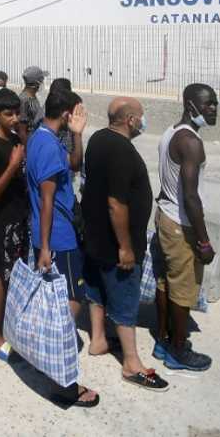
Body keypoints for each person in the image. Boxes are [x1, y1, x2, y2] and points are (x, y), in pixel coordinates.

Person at [82, 97, 169, 391]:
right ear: (130, 120)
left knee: (96, 290)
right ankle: (131, 364)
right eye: (141, 116)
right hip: (114, 244)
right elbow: (116, 203)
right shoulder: (120, 150)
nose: (143, 121)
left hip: (94, 238)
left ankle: (98, 340)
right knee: (124, 299)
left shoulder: (98, 138)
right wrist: (126, 246)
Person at [25, 86, 99, 407]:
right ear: (67, 113)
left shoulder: (44, 138)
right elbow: (47, 199)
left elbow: (73, 165)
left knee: (60, 299)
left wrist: (78, 135)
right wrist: (44, 246)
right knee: (70, 301)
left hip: (56, 234)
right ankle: (61, 378)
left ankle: (47, 354)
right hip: (59, 237)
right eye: (77, 113)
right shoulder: (48, 147)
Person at [153, 84, 219, 371]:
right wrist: (203, 241)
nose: (214, 109)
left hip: (165, 216)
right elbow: (191, 197)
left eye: (215, 104)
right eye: (209, 104)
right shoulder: (191, 142)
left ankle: (164, 340)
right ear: (191, 105)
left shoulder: (169, 132)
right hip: (182, 224)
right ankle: (178, 351)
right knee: (183, 289)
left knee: (165, 283)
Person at [0, 88, 31, 361]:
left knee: (14, 275)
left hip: (19, 217)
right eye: (8, 114)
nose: (14, 118)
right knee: (3, 275)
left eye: (16, 113)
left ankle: (6, 328)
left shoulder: (14, 139)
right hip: (3, 222)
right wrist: (13, 165)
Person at [18, 66, 47, 141]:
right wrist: (27, 149)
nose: (43, 82)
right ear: (37, 83)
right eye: (42, 80)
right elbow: (22, 130)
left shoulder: (32, 97)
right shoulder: (24, 100)